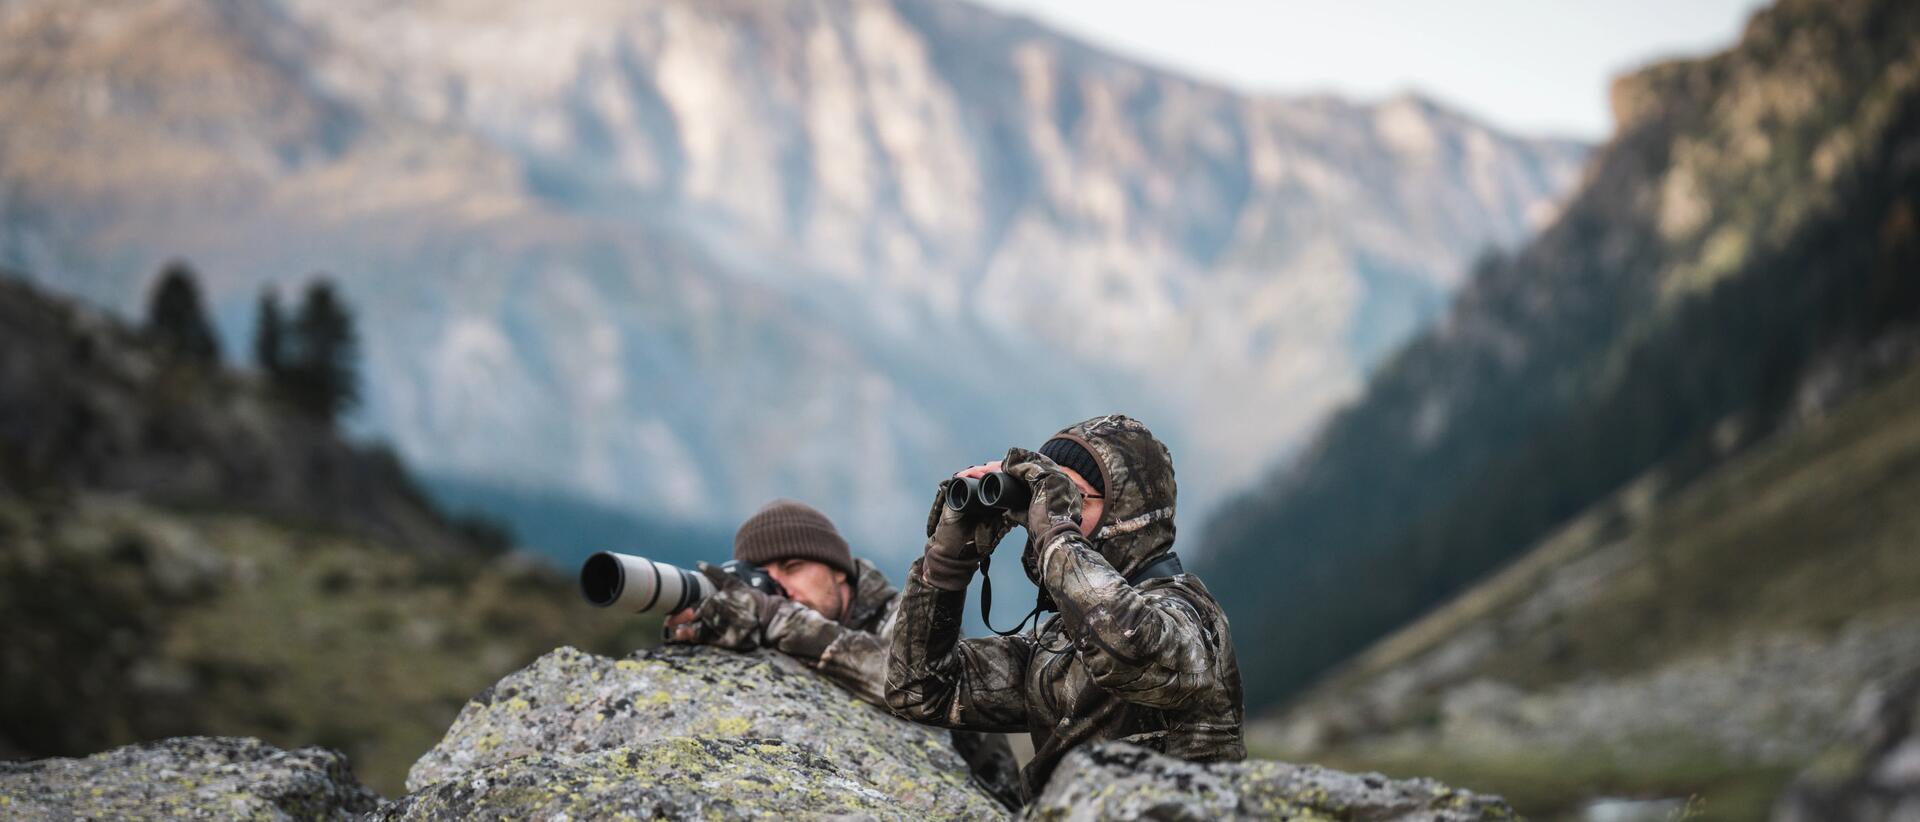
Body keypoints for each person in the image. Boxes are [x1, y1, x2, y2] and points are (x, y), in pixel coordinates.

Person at [885, 414, 1245, 799]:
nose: (1050, 513)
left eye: (1071, 498)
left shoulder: (1193, 616)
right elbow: (920, 690)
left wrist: (1056, 534)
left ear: (1126, 516)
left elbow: (1132, 651)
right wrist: (946, 566)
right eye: (1046, 500)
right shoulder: (1059, 644)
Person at [663, 498, 1021, 808]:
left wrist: (775, 618)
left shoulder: (911, 615)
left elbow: (908, 682)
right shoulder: (778, 623)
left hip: (991, 801)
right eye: (764, 578)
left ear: (838, 571)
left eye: (793, 568)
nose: (780, 589)